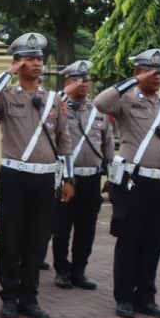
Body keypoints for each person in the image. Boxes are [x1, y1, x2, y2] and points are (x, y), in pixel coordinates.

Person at [0, 33, 74, 318]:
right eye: (30, 59)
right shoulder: (6, 96)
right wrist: (7, 74)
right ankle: (9, 297)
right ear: (18, 63)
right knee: (11, 240)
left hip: (45, 179)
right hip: (14, 177)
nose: (37, 64)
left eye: (40, 59)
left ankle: (30, 297)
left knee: (37, 241)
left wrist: (68, 179)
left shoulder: (55, 99)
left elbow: (64, 140)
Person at [94, 48, 160, 318]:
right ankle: (124, 297)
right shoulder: (125, 100)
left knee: (154, 241)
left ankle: (146, 297)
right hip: (132, 181)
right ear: (138, 73)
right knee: (130, 239)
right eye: (151, 71)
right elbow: (101, 103)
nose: (158, 76)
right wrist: (132, 81)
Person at [51, 60, 113, 291]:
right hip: (66, 177)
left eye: (87, 79)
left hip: (92, 178)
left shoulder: (99, 109)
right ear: (67, 82)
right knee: (62, 228)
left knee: (86, 229)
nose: (85, 84)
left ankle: (79, 270)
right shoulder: (57, 106)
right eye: (78, 79)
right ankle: (61, 270)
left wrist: (110, 175)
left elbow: (107, 143)